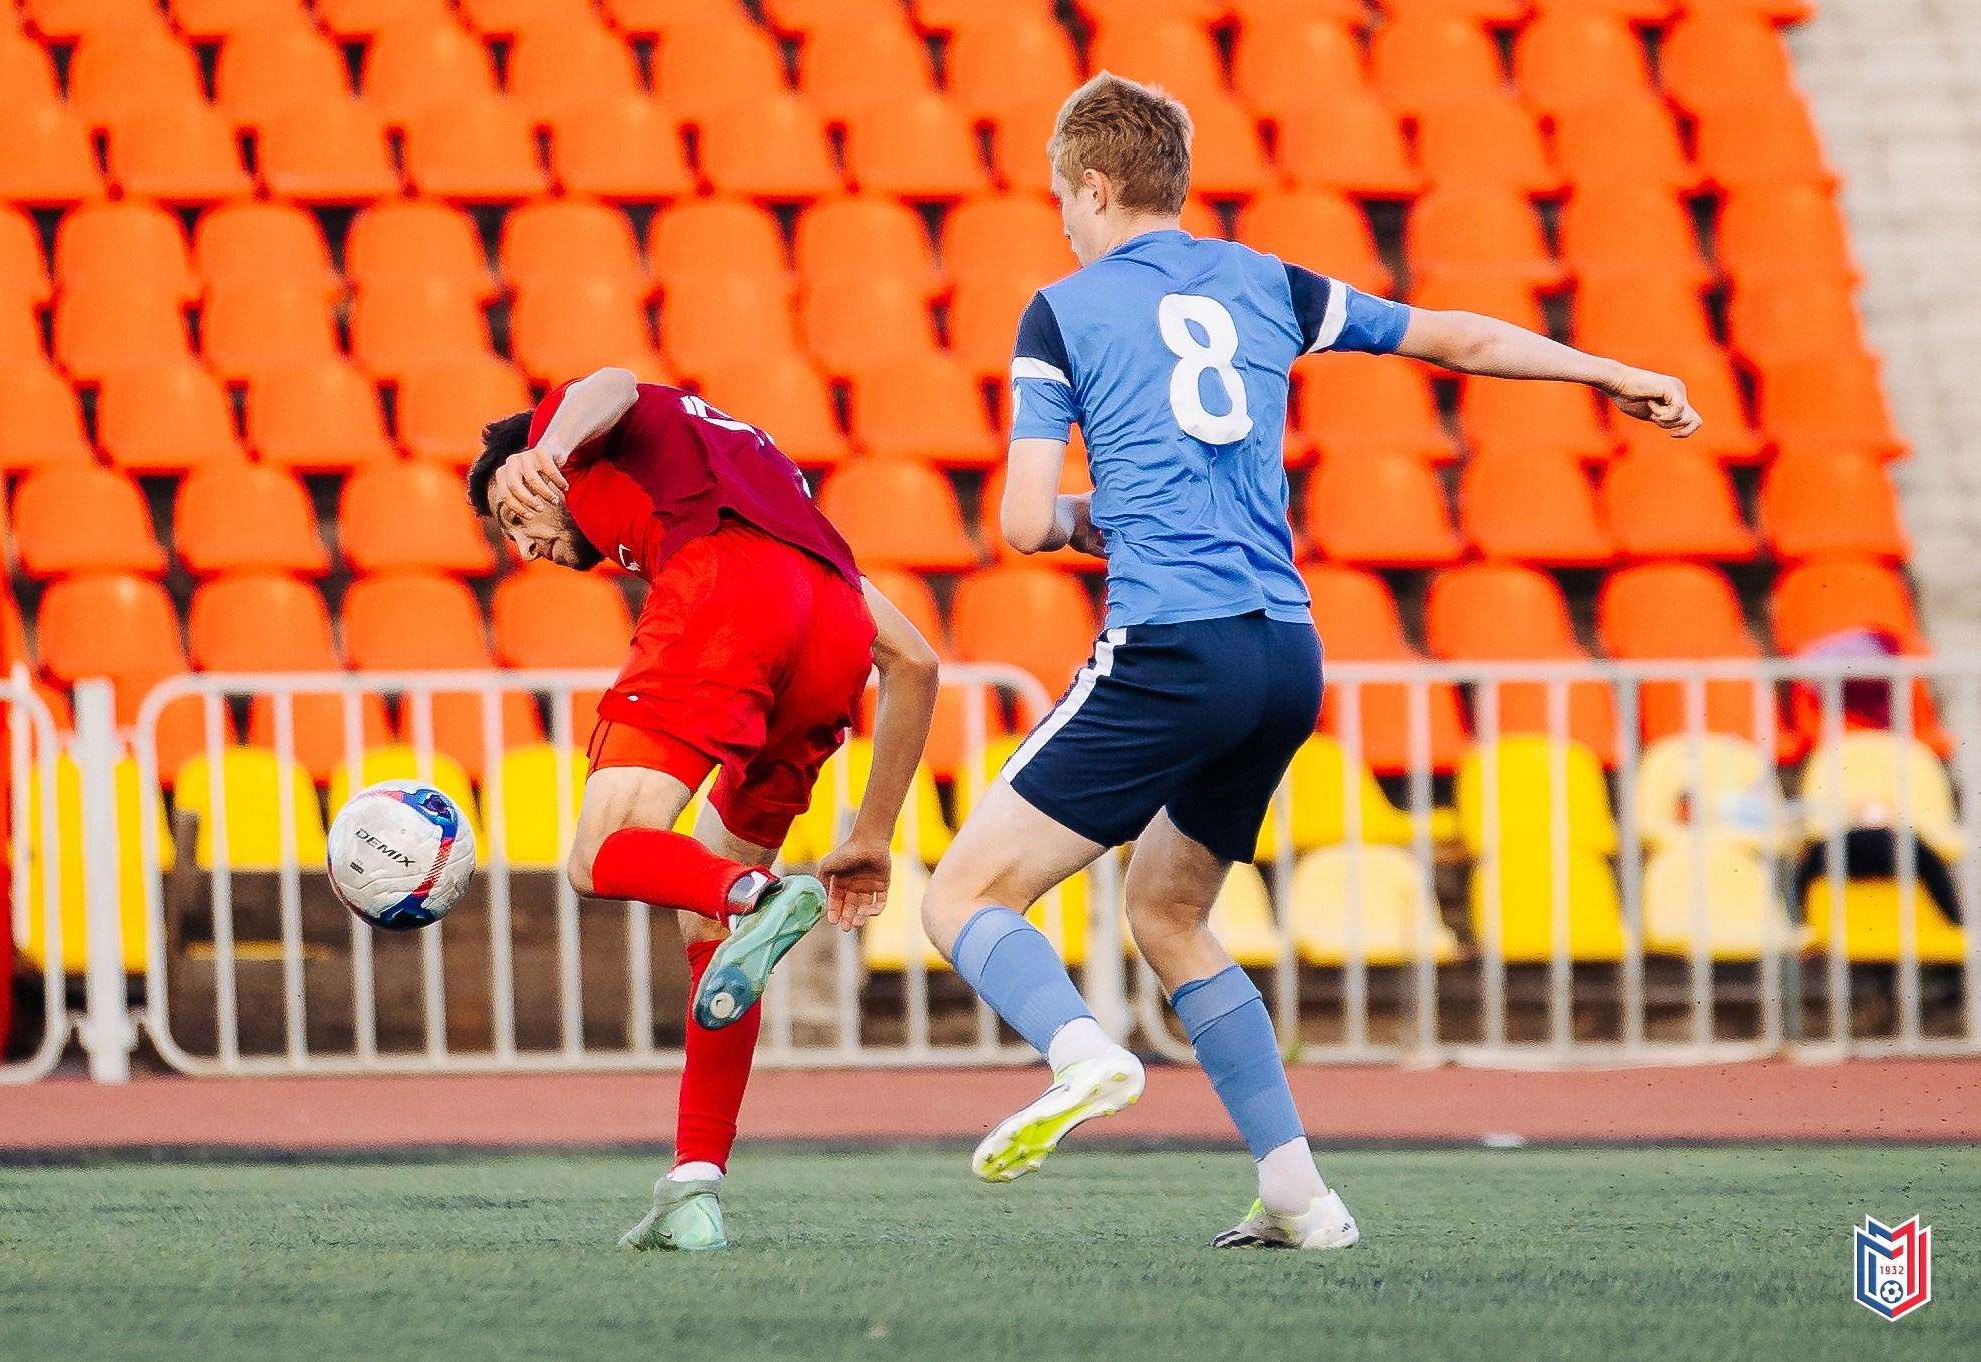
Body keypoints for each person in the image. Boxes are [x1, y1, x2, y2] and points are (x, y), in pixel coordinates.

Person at [889, 74, 1699, 1249]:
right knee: (1170, 914)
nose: (1061, 221)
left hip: (1172, 645)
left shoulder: (1060, 310)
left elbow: (1019, 524)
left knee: (961, 896)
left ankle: (1079, 1052)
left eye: (1062, 198)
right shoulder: (1268, 281)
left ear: (1095, 187)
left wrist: (1084, 518)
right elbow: (1455, 336)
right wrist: (1611, 372)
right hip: (1283, 651)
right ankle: (1297, 1193)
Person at [470, 368, 940, 1252]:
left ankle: (758, 896)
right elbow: (914, 662)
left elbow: (610, 380)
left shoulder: (573, 435)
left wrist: (546, 447)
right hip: (831, 623)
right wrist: (871, 836)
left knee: (601, 854)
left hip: (726, 591)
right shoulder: (753, 478)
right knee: (710, 930)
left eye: (514, 514)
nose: (524, 542)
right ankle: (695, 1185)